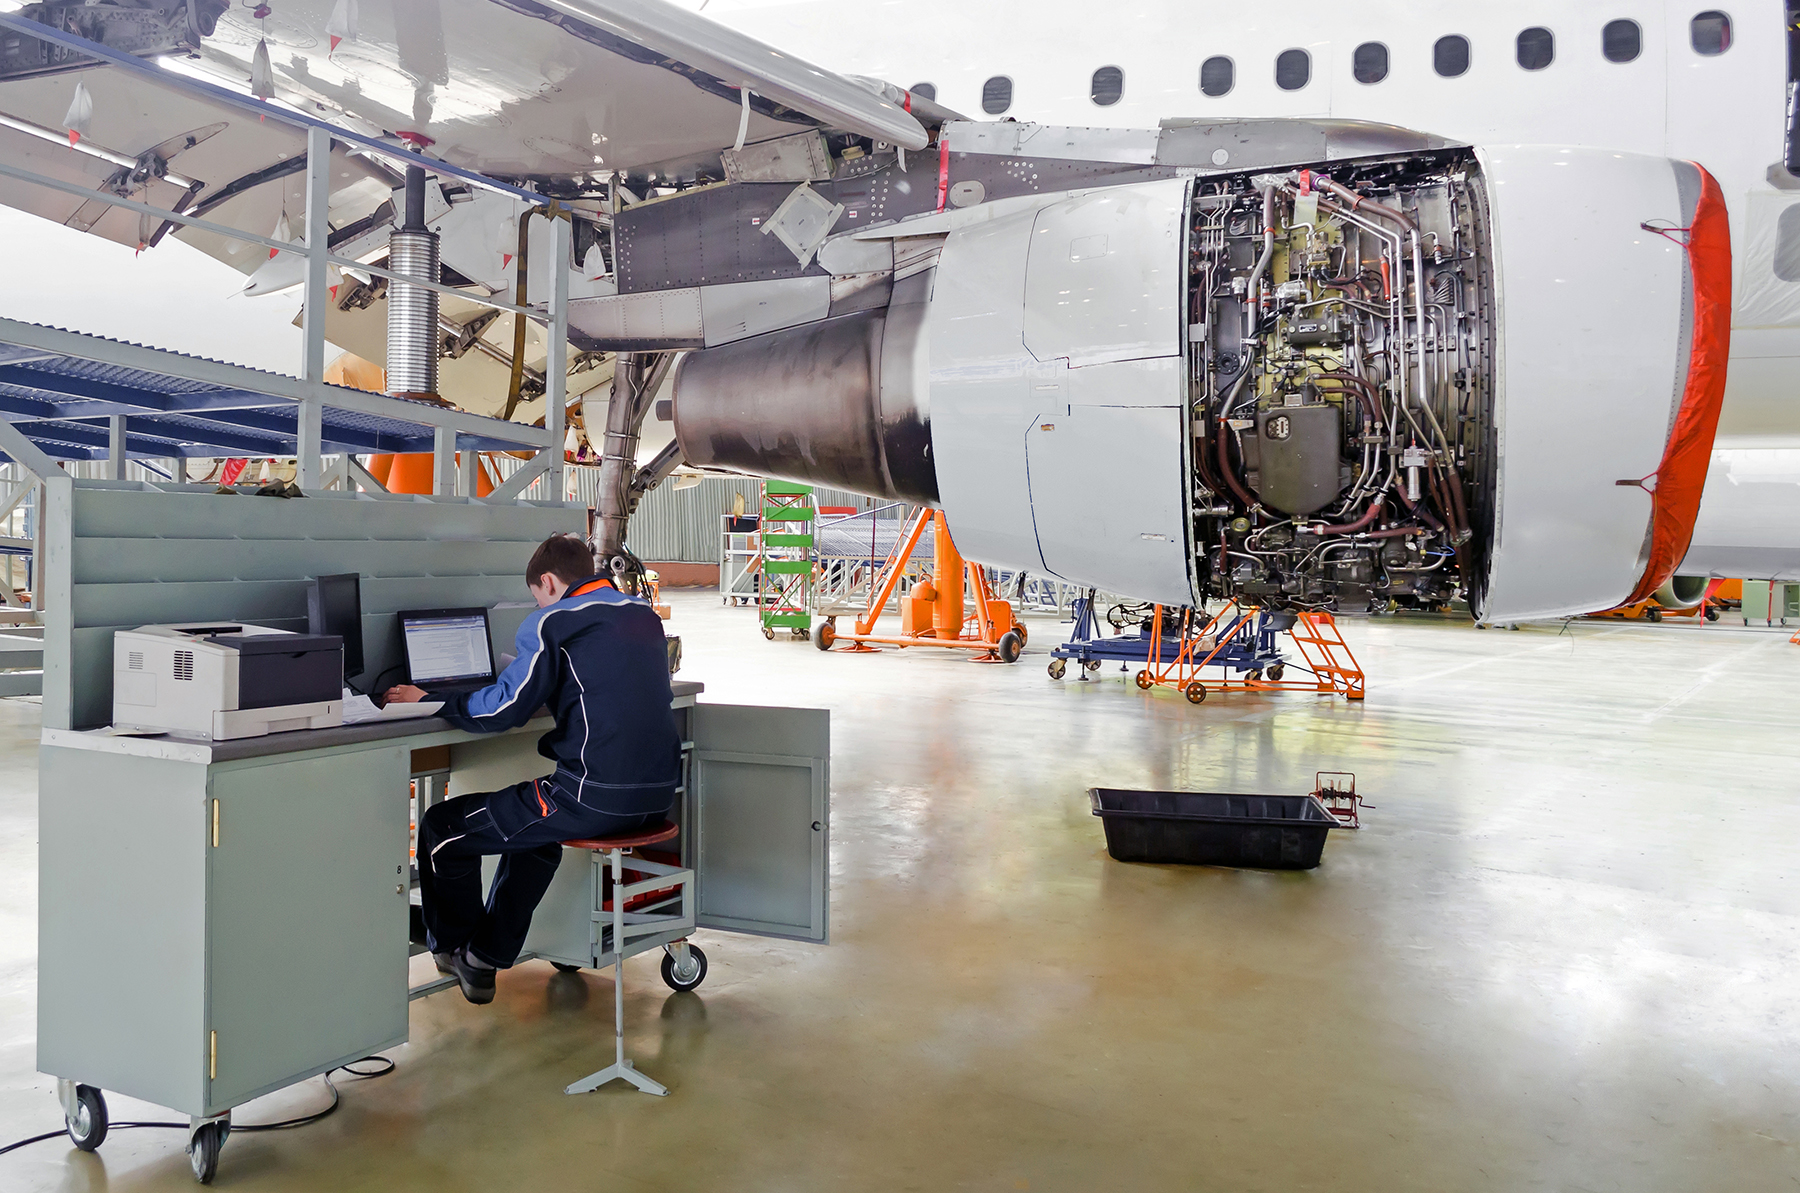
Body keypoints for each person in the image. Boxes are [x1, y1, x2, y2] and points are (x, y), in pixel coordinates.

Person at [386, 533, 679, 1004]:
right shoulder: (640, 613)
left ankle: (462, 951)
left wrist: (431, 699)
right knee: (533, 836)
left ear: (547, 581)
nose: (538, 604)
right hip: (655, 796)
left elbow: (504, 710)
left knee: (442, 828)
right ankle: (485, 954)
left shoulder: (554, 621)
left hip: (591, 796)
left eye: (537, 596)